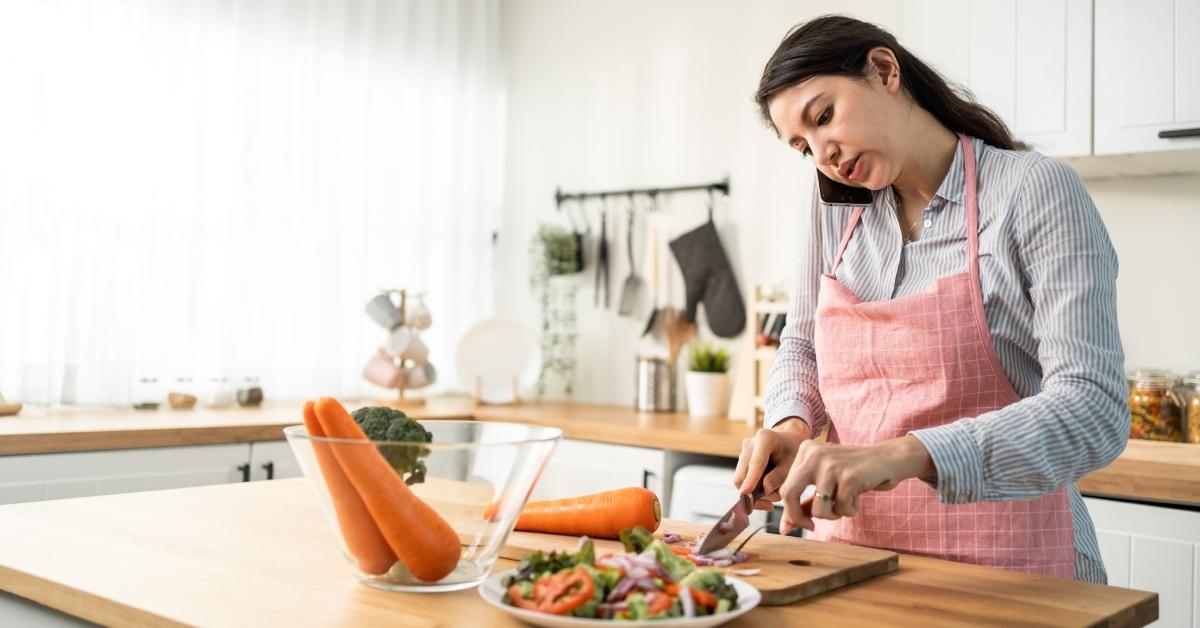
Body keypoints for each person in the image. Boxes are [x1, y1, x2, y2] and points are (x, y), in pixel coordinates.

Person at [733, 15, 1127, 583]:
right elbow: (803, 344)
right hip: (854, 565)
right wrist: (792, 426)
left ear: (885, 70)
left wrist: (901, 454)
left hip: (1014, 572)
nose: (824, 153)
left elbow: (1094, 409)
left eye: (825, 117)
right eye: (803, 146)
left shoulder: (1032, 191)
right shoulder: (830, 209)